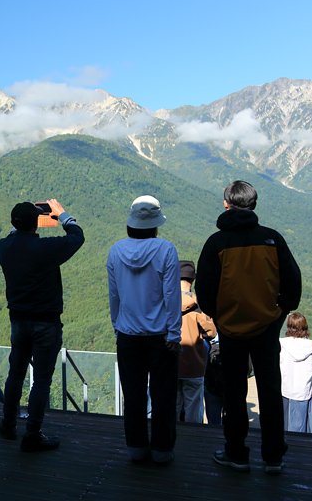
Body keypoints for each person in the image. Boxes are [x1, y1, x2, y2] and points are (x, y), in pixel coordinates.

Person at [196, 180, 302, 475]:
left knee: (233, 392)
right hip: (267, 328)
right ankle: (273, 457)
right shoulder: (272, 239)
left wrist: (221, 318)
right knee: (269, 389)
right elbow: (293, 283)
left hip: (229, 330)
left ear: (226, 204)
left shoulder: (216, 243)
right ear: (254, 205)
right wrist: (279, 313)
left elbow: (204, 290)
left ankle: (237, 454)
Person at [0, 198, 84, 452]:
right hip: (46, 323)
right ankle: (32, 433)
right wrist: (63, 215)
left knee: (16, 374)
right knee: (41, 381)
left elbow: (15, 235)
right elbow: (77, 237)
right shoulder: (46, 249)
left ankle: (8, 424)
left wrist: (27, 224)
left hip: (18, 322)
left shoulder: (4, 247)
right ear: (36, 224)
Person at [108, 195, 182, 465]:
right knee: (163, 396)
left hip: (128, 335)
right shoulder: (166, 250)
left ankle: (136, 449)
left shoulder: (116, 250)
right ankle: (162, 451)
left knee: (134, 396)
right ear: (155, 225)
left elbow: (114, 295)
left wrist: (118, 328)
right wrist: (174, 333)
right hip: (162, 337)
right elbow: (172, 295)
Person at [176, 260, 217, 423]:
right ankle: (193, 440)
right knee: (194, 408)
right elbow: (212, 332)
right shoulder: (198, 306)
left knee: (173, 406)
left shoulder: (166, 304)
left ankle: (170, 440)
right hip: (195, 365)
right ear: (192, 280)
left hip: (172, 364)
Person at [280, 312, 312, 433]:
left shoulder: (281, 344)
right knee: (300, 428)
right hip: (303, 391)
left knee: (283, 425)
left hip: (284, 389)